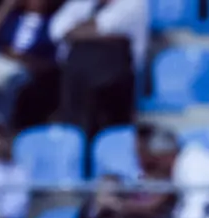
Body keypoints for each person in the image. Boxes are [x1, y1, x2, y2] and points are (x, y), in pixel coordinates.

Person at [48, 0, 148, 137]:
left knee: (94, 53)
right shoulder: (81, 3)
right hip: (77, 74)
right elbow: (56, 30)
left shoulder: (134, 3)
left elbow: (104, 26)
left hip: (117, 75)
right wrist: (90, 33)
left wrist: (76, 32)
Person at [0, 0, 58, 126]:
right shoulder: (12, 18)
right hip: (1, 59)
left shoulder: (51, 25)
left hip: (24, 68)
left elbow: (52, 61)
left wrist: (23, 59)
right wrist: (7, 6)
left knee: (10, 79)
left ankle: (2, 125)